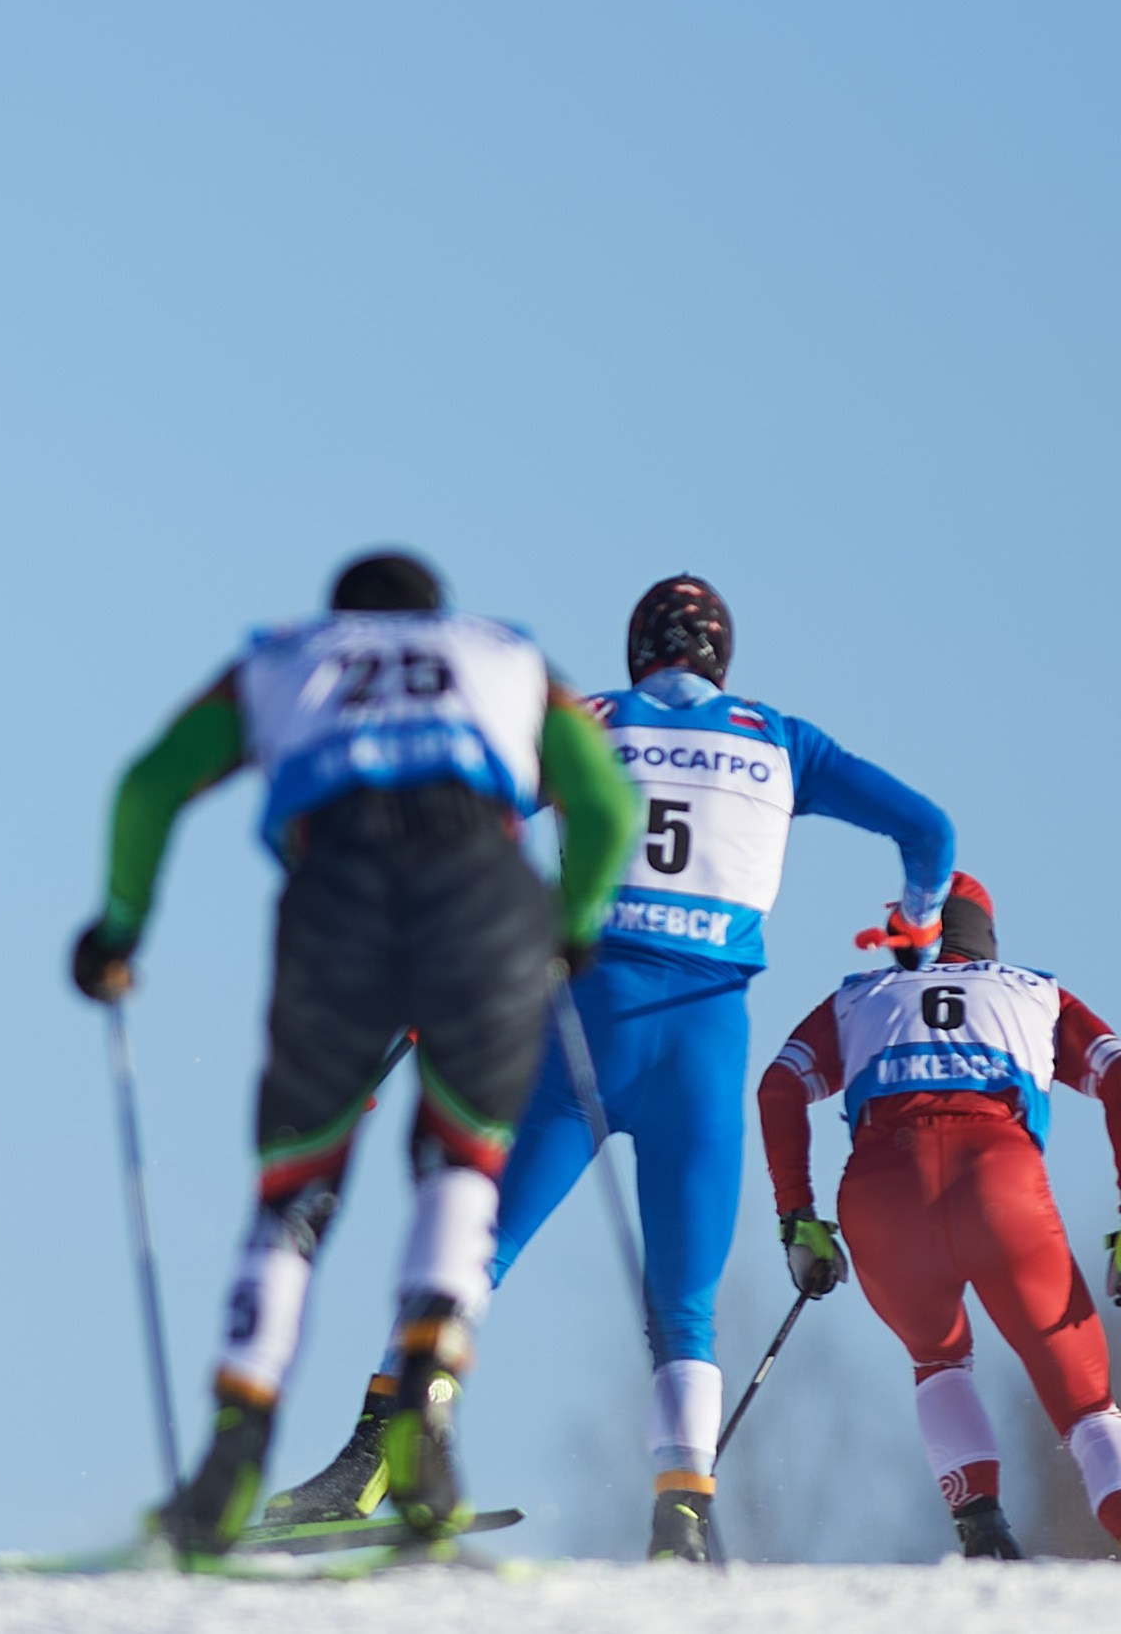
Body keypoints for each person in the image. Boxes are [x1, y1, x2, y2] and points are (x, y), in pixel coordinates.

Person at [272, 575, 957, 1562]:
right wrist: (916, 923)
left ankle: (376, 1457)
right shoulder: (780, 739)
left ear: (639, 652)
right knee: (681, 1302)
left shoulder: (583, 719)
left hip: (579, 1028)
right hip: (702, 1040)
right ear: (723, 659)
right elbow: (927, 829)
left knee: (468, 1246)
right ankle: (679, 1512)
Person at [69, 550, 636, 1554]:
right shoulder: (503, 655)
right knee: (461, 1163)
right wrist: (576, 921)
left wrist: (118, 932)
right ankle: (425, 1405)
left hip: (335, 895)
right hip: (484, 899)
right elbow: (600, 796)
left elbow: (147, 785)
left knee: (296, 1181)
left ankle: (233, 1445)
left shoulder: (287, 656)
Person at [759, 875, 1121, 1559]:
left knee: (937, 1358)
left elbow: (779, 1084)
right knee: (1086, 1405)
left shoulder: (858, 993)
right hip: (998, 1179)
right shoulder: (1035, 990)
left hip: (883, 1187)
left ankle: (979, 1521)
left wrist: (797, 1217)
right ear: (986, 935)